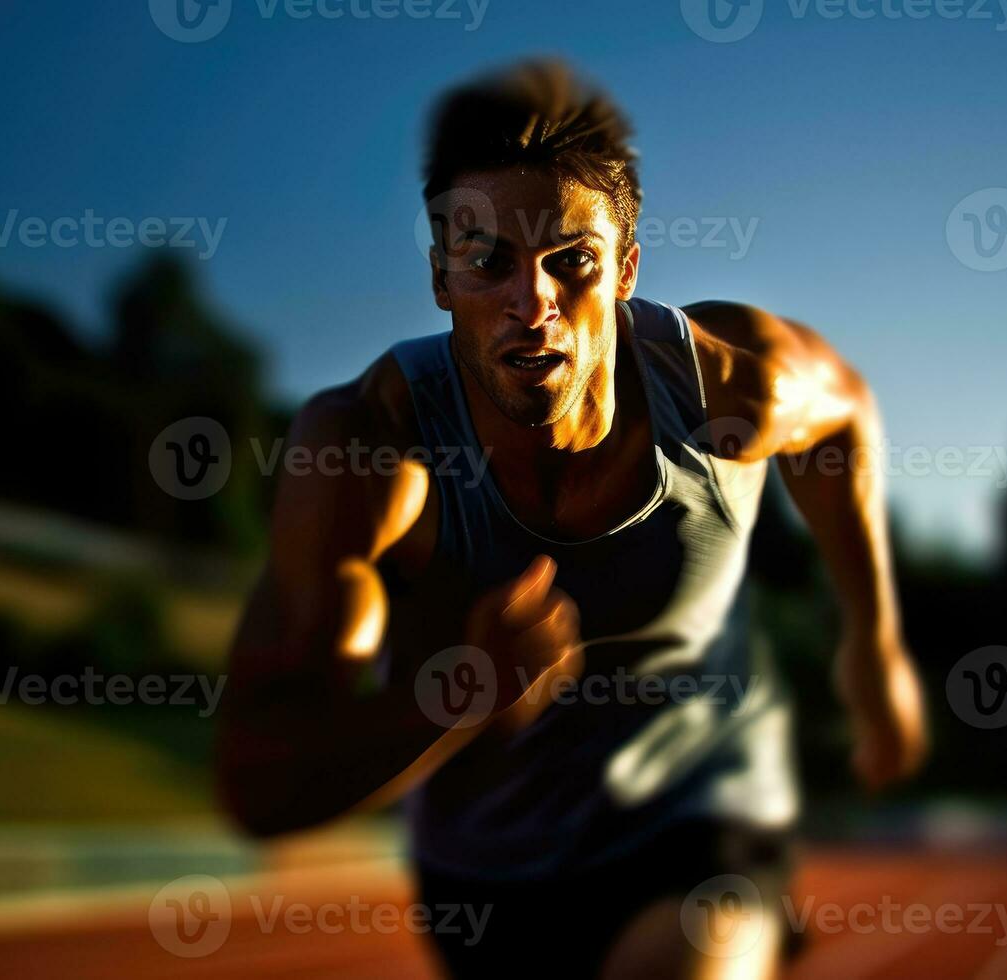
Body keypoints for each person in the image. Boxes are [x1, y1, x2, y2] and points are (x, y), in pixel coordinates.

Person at [217, 59, 927, 979]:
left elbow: (844, 416)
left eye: (571, 264)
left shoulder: (724, 385)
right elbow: (260, 782)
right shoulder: (369, 453)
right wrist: (460, 697)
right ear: (441, 277)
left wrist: (872, 646)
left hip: (698, 825)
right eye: (490, 264)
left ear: (626, 270)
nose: (533, 305)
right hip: (488, 879)